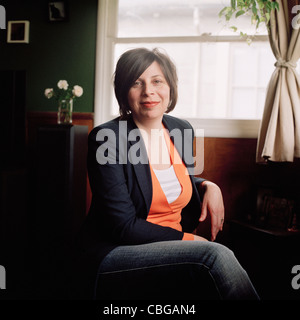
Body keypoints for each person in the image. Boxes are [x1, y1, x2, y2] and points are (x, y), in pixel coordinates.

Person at [76, 47, 259, 300]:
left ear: (170, 87)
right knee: (214, 256)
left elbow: (167, 179)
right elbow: (122, 226)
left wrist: (207, 185)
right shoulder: (107, 138)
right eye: (136, 83)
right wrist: (190, 241)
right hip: (117, 249)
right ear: (124, 92)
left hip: (173, 245)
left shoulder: (180, 128)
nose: (148, 91)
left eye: (157, 81)